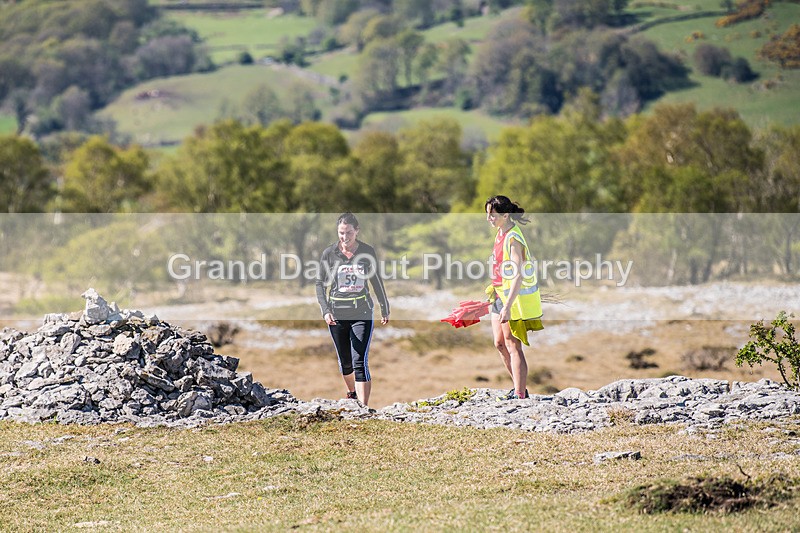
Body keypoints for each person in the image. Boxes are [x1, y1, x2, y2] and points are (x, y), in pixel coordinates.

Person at [315, 213, 390, 406]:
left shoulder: (367, 252)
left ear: (356, 231)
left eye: (348, 232)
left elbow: (376, 280)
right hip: (337, 314)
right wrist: (325, 310)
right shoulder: (329, 253)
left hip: (361, 313)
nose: (344, 237)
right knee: (345, 363)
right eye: (341, 233)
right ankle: (351, 393)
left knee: (359, 362)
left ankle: (363, 409)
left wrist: (384, 307)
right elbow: (319, 284)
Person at [485, 195, 544, 400]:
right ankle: (517, 387)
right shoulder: (500, 233)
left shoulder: (513, 238)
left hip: (513, 300)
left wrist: (507, 306)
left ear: (505, 215)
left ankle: (519, 394)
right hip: (499, 296)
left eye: (492, 215)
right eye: (487, 214)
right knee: (499, 343)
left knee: (512, 344)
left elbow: (518, 274)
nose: (489, 219)